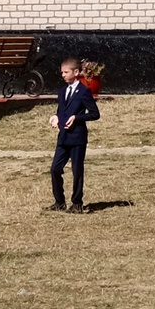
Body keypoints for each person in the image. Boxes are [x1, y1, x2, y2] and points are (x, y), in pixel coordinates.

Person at [47, 56, 100, 212]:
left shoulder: (84, 92)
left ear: (76, 72)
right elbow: (61, 111)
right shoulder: (62, 91)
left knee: (77, 170)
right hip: (63, 137)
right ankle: (59, 202)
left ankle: (77, 203)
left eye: (66, 72)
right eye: (62, 72)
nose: (63, 75)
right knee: (55, 168)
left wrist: (77, 117)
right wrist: (56, 117)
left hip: (77, 137)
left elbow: (95, 114)